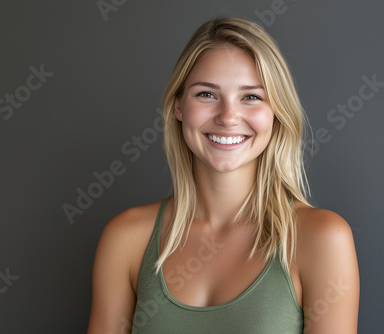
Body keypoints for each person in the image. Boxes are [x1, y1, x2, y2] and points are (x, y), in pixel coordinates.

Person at [87, 17, 359, 333]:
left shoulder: (322, 239)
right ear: (178, 106)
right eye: (206, 94)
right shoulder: (125, 238)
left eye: (251, 96)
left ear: (276, 113)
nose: (228, 117)